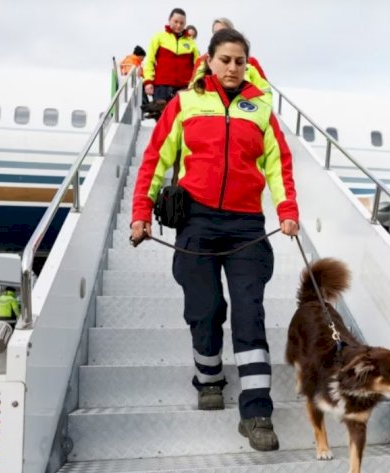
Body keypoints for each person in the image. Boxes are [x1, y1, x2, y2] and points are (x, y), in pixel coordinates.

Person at [130, 28, 299, 452]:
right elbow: (155, 159)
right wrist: (140, 214)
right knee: (204, 311)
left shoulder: (260, 109)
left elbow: (279, 164)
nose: (232, 68)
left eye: (240, 61)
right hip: (198, 222)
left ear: (248, 65)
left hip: (245, 226)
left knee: (249, 314)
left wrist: (287, 211)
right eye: (225, 59)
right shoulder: (184, 103)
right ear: (208, 60)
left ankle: (257, 411)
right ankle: (209, 378)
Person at [189, 17, 271, 102]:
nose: (233, 68)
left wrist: (254, 109)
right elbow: (191, 89)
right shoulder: (201, 61)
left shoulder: (251, 62)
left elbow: (265, 90)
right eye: (216, 32)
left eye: (239, 62)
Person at [143, 8, 199, 103]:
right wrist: (148, 81)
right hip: (161, 87)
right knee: (161, 115)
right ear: (169, 20)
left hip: (184, 88)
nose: (178, 25)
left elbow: (198, 65)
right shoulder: (158, 37)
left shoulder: (191, 42)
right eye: (176, 21)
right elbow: (150, 60)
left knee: (182, 117)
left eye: (182, 23)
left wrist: (194, 84)